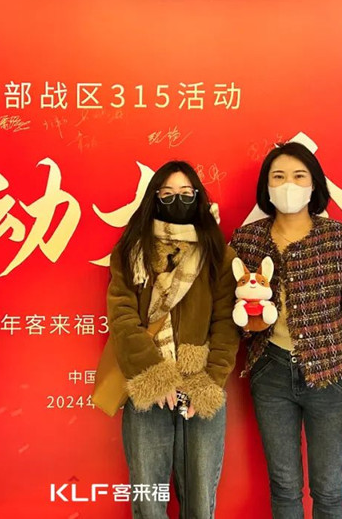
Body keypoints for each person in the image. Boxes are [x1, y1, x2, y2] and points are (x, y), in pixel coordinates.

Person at [230, 142, 342, 519]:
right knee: (283, 484)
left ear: (314, 184)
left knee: (328, 487)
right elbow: (231, 313)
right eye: (278, 177)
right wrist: (246, 320)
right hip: (270, 372)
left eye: (298, 176)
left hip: (331, 375)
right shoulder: (247, 240)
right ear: (266, 187)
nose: (288, 185)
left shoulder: (341, 239)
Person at [107, 160, 240, 518]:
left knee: (200, 499)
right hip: (147, 386)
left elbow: (226, 324)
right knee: (148, 500)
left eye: (185, 193)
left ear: (198, 198)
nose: (176, 201)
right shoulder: (130, 251)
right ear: (154, 198)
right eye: (166, 194)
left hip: (201, 384)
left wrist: (210, 380)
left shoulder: (219, 254)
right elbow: (122, 318)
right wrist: (155, 373)